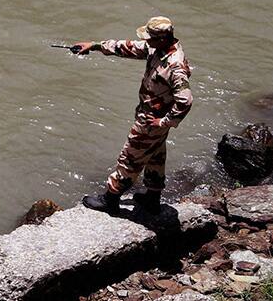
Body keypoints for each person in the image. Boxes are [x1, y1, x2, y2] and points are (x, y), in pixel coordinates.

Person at [70, 16, 192, 214]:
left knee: (130, 158)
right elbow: (127, 47)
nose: (146, 41)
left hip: (151, 121)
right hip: (155, 122)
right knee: (155, 156)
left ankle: (110, 199)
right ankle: (152, 199)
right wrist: (94, 46)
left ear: (161, 39)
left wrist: (165, 122)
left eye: (149, 37)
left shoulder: (174, 66)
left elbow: (185, 100)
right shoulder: (157, 47)